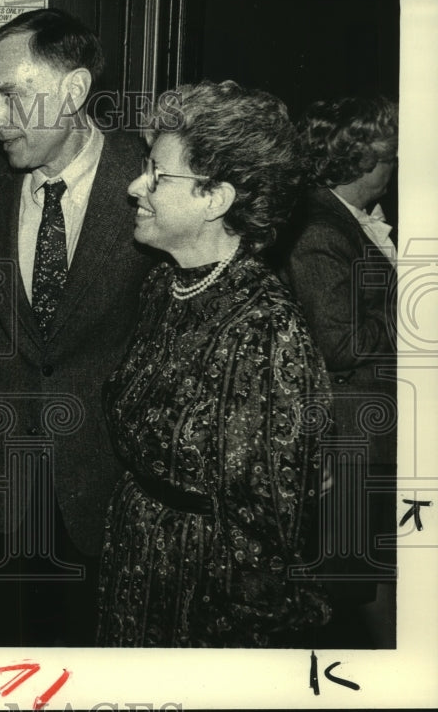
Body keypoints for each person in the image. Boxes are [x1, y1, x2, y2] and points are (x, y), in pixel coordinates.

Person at [0, 8, 155, 646]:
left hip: (116, 490)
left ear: (73, 91)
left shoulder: (153, 183)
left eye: (9, 95)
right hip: (10, 483)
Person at [96, 80, 332, 647]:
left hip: (204, 594)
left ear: (216, 198)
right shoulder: (165, 285)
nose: (135, 187)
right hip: (140, 560)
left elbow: (271, 529)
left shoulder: (266, 330)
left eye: (158, 175)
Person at [282, 96, 398, 647]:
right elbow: (341, 342)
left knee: (365, 581)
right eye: (391, 160)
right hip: (346, 441)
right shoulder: (320, 229)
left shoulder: (344, 221)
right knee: (347, 590)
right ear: (361, 161)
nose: (395, 172)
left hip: (361, 436)